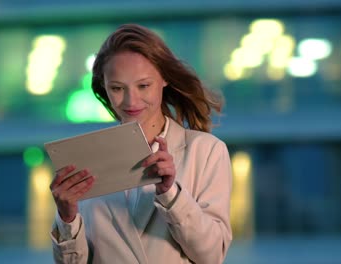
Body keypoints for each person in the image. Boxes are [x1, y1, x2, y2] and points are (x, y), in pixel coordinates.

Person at [49, 23, 232, 264]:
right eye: (116, 88)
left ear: (165, 79)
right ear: (103, 86)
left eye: (143, 85)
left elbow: (212, 255)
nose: (130, 100)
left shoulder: (206, 151)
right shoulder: (86, 158)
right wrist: (67, 217)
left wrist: (171, 194)